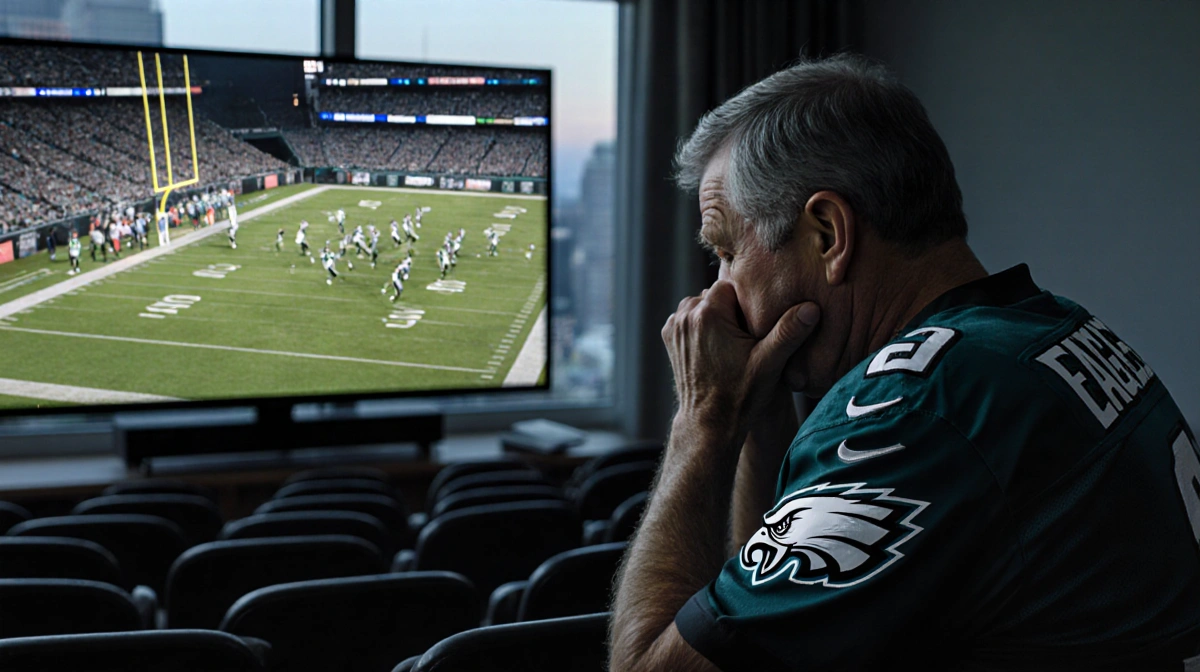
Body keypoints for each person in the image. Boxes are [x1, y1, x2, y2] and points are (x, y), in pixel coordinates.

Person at [608, 54, 1200, 671]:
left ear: (829, 234)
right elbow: (774, 620)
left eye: (727, 250)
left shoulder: (910, 410)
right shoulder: (1046, 329)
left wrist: (701, 421)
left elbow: (645, 667)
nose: (716, 295)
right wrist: (754, 412)